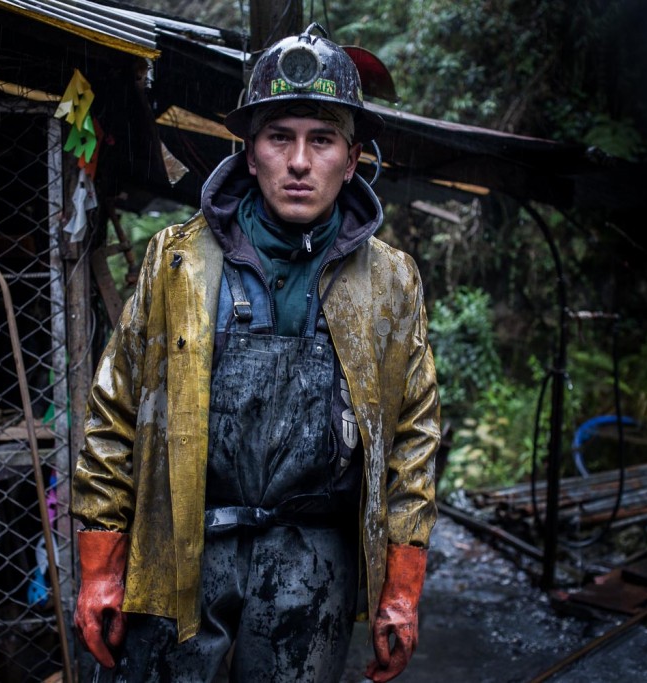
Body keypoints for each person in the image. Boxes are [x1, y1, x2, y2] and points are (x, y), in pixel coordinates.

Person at [71, 24, 440, 683]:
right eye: (280, 137)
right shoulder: (175, 263)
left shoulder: (391, 282)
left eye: (322, 140)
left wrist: (402, 587)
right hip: (187, 535)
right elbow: (113, 417)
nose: (299, 162)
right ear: (249, 152)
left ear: (351, 160)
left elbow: (413, 438)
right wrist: (100, 565)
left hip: (313, 550)